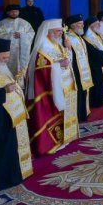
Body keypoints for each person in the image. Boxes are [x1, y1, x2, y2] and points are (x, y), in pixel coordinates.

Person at [0, 38, 33, 181]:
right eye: (4, 58)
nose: (6, 60)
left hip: (11, 115)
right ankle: (6, 179)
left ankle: (19, 172)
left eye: (8, 57)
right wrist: (4, 92)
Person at [26, 19, 79, 156]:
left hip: (62, 87)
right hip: (48, 90)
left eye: (61, 31)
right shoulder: (43, 48)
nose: (60, 34)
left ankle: (63, 138)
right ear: (48, 32)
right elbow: (41, 70)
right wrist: (59, 65)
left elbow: (67, 60)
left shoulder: (57, 45)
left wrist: (68, 49)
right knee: (51, 113)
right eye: (57, 31)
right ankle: (51, 143)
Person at [0, 5, 36, 79]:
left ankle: (20, 84)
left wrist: (22, 35)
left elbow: (31, 33)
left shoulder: (25, 23)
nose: (14, 13)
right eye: (12, 12)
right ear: (8, 13)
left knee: (20, 69)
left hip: (20, 52)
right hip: (8, 52)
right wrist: (10, 36)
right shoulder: (1, 23)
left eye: (16, 11)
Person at [64, 15, 93, 120]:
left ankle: (83, 112)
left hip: (82, 70)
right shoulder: (67, 37)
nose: (83, 25)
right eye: (80, 24)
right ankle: (78, 115)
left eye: (82, 23)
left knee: (83, 91)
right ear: (73, 26)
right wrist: (68, 48)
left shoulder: (78, 36)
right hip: (75, 70)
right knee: (78, 92)